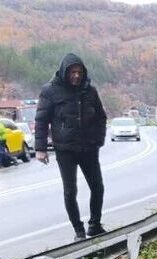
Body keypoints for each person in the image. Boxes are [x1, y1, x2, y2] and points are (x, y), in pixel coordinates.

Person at [34, 53, 108, 241]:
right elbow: (41, 120)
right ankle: (78, 230)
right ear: (65, 72)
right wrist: (40, 148)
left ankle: (95, 225)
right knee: (70, 191)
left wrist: (98, 139)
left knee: (97, 187)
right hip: (65, 149)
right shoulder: (50, 91)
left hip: (89, 148)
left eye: (79, 72)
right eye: (72, 72)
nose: (76, 76)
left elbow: (101, 117)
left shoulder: (90, 91)